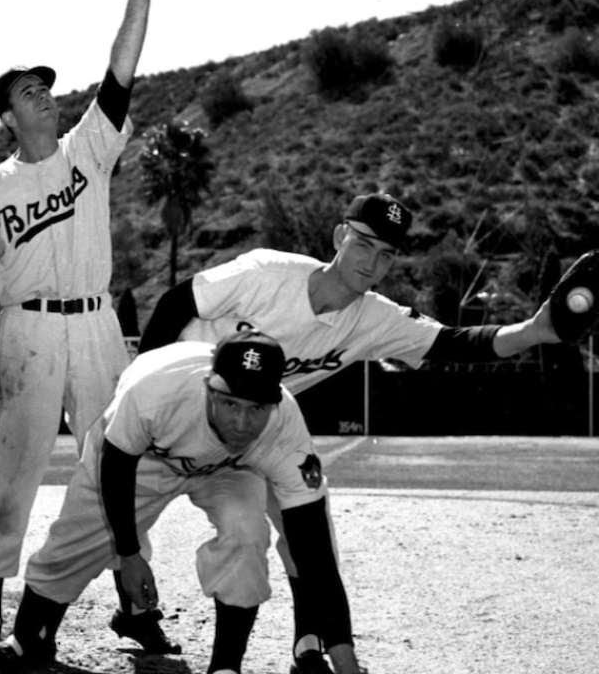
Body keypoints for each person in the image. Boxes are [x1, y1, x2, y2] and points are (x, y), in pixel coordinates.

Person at [136, 192, 562, 673]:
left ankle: (308, 644)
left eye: (387, 254)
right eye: (364, 244)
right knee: (104, 520)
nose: (373, 262)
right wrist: (145, 386)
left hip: (262, 429)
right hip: (184, 408)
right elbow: (175, 303)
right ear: (340, 237)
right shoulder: (267, 273)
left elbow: (453, 341)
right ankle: (112, 612)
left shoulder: (373, 317)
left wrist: (534, 330)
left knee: (305, 534)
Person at [0, 0, 167, 649]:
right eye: (27, 92)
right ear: (7, 118)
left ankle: (136, 605)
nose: (43, 95)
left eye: (45, 87)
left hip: (97, 324)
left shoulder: (87, 152)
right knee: (10, 471)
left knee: (115, 462)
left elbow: (120, 73)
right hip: (25, 331)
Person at [0, 331, 368, 674]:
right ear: (209, 388)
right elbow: (117, 463)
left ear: (274, 404)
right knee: (77, 540)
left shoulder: (284, 429)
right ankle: (27, 638)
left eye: (256, 409)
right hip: (144, 458)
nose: (243, 422)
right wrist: (128, 556)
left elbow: (314, 552)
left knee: (247, 532)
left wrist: (345, 661)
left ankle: (226, 665)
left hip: (231, 468)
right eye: (231, 404)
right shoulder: (156, 390)